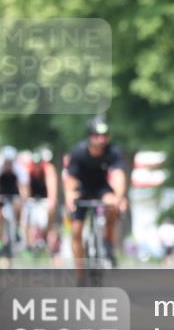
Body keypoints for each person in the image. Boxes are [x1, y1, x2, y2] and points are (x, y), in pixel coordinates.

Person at [64, 116, 128, 276]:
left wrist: (120, 197)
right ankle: (80, 274)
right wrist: (70, 197)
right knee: (76, 232)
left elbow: (118, 175)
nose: (101, 139)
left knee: (112, 204)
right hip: (82, 190)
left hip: (101, 188)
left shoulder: (113, 151)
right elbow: (71, 179)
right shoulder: (78, 152)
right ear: (90, 136)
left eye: (105, 135)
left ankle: (107, 240)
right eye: (97, 136)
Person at [25, 148, 59, 260]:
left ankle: (49, 243)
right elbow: (25, 188)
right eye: (35, 164)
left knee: (49, 214)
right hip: (32, 199)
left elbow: (52, 188)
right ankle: (28, 244)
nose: (37, 166)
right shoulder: (28, 169)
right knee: (27, 219)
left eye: (38, 164)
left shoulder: (48, 169)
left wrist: (52, 201)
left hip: (45, 199)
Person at [0, 145, 29, 255]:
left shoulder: (19, 170)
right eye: (7, 162)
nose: (9, 164)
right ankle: (0, 241)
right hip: (2, 194)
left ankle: (17, 229)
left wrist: (23, 198)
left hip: (14, 194)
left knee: (18, 206)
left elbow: (23, 187)